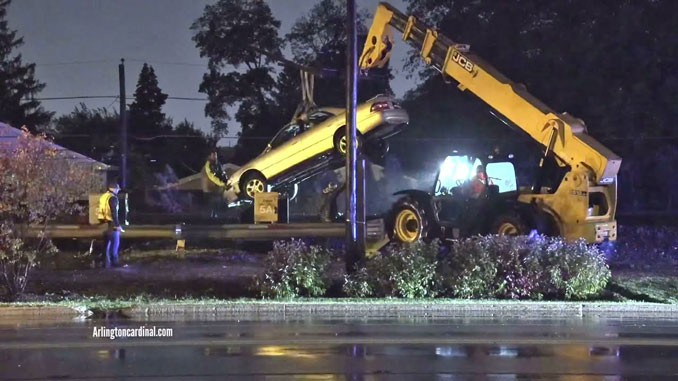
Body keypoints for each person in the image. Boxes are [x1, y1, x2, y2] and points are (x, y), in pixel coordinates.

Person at [97, 179, 124, 268]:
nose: (118, 190)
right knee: (114, 245)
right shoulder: (112, 197)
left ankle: (105, 264)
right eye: (118, 189)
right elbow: (113, 212)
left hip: (103, 224)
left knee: (105, 247)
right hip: (112, 225)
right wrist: (117, 225)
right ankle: (114, 264)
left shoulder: (104, 196)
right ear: (115, 188)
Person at [202, 150, 228, 218]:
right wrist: (221, 183)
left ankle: (216, 215)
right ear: (210, 156)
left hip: (216, 188)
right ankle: (211, 216)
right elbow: (211, 177)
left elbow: (222, 172)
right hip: (209, 188)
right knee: (212, 203)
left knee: (218, 202)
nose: (215, 157)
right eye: (213, 155)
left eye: (215, 155)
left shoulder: (217, 164)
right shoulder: (208, 165)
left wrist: (225, 181)